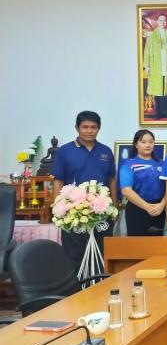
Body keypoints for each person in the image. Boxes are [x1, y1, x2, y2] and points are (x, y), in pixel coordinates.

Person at [52, 111, 117, 271]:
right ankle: (76, 286)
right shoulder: (65, 151)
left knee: (102, 254)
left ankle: (101, 285)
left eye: (93, 127)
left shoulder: (105, 151)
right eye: (85, 127)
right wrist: (58, 208)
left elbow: (112, 180)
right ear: (77, 128)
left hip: (101, 212)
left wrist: (114, 208)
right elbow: (58, 180)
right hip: (74, 213)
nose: (89, 131)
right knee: (75, 256)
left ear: (99, 128)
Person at [143, 13, 167, 119]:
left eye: (164, 20)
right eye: (160, 20)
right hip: (156, 67)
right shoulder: (152, 36)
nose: (162, 22)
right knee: (157, 90)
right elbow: (147, 51)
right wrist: (147, 66)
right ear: (157, 22)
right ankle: (159, 113)